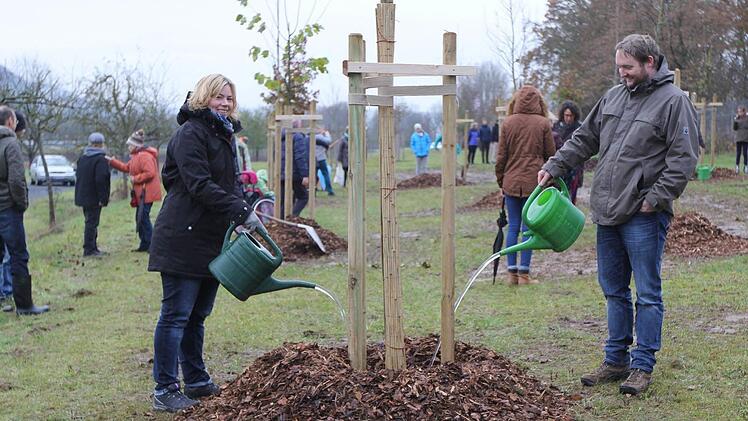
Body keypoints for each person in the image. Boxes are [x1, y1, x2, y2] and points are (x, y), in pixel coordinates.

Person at [538, 34, 699, 395]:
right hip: (607, 212)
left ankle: (642, 365)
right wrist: (555, 166)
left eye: (628, 67)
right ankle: (615, 360)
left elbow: (683, 159)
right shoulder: (613, 97)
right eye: (619, 67)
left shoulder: (674, 103)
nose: (622, 73)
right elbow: (583, 138)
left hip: (643, 213)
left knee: (647, 293)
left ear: (649, 63)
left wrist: (654, 199)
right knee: (613, 291)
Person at [147, 74, 262, 412]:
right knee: (175, 315)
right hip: (182, 237)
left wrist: (240, 216)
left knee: (197, 315)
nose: (225, 103)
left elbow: (230, 185)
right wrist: (239, 210)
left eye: (229, 97)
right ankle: (165, 389)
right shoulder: (191, 134)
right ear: (203, 97)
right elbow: (198, 184)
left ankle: (196, 380)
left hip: (210, 237)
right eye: (218, 96)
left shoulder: (223, 134)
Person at [495, 86, 556, 286]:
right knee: (528, 228)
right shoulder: (543, 123)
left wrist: (500, 181)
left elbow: (501, 156)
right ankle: (524, 274)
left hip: (511, 181)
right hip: (535, 183)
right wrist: (551, 180)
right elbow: (551, 155)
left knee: (513, 227)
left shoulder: (507, 123)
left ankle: (511, 273)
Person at [0, 106, 49, 315]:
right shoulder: (11, 144)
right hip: (8, 209)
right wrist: (21, 203)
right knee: (19, 255)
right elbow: (17, 180)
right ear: (11, 121)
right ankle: (24, 305)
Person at [107, 129, 162, 252]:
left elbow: (150, 173)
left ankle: (152, 245)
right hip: (142, 193)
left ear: (136, 145)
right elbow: (127, 167)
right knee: (140, 217)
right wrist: (112, 161)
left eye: (130, 145)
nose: (128, 147)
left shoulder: (145, 156)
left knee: (143, 218)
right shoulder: (136, 156)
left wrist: (134, 179)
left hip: (147, 192)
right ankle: (145, 244)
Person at [74, 132, 111, 257]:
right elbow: (101, 179)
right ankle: (89, 249)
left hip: (83, 196)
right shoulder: (101, 159)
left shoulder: (83, 158)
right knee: (92, 223)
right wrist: (103, 198)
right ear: (101, 145)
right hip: (95, 197)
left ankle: (92, 247)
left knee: (89, 221)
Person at [552, 101, 583, 204]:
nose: (568, 118)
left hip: (574, 168)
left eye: (571, 115)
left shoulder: (580, 128)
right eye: (566, 115)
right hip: (559, 166)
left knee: (570, 199)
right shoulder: (556, 127)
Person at [280, 120, 310, 216]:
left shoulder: (281, 136)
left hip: (282, 173)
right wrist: (305, 175)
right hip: (294, 174)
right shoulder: (297, 136)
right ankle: (292, 218)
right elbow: (300, 156)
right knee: (303, 197)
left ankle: (281, 222)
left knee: (285, 201)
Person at [314, 127, 334, 196]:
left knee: (314, 175)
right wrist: (327, 134)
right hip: (321, 158)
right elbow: (328, 141)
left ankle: (313, 190)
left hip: (313, 159)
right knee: (325, 174)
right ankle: (329, 190)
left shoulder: (310, 136)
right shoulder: (320, 137)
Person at [732, 106, 748, 174]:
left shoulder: (747, 119)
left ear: (744, 112)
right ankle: (737, 167)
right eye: (738, 111)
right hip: (739, 139)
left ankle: (746, 166)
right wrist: (735, 120)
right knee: (738, 153)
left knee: (745, 153)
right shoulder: (737, 119)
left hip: (746, 139)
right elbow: (735, 128)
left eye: (741, 111)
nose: (739, 113)